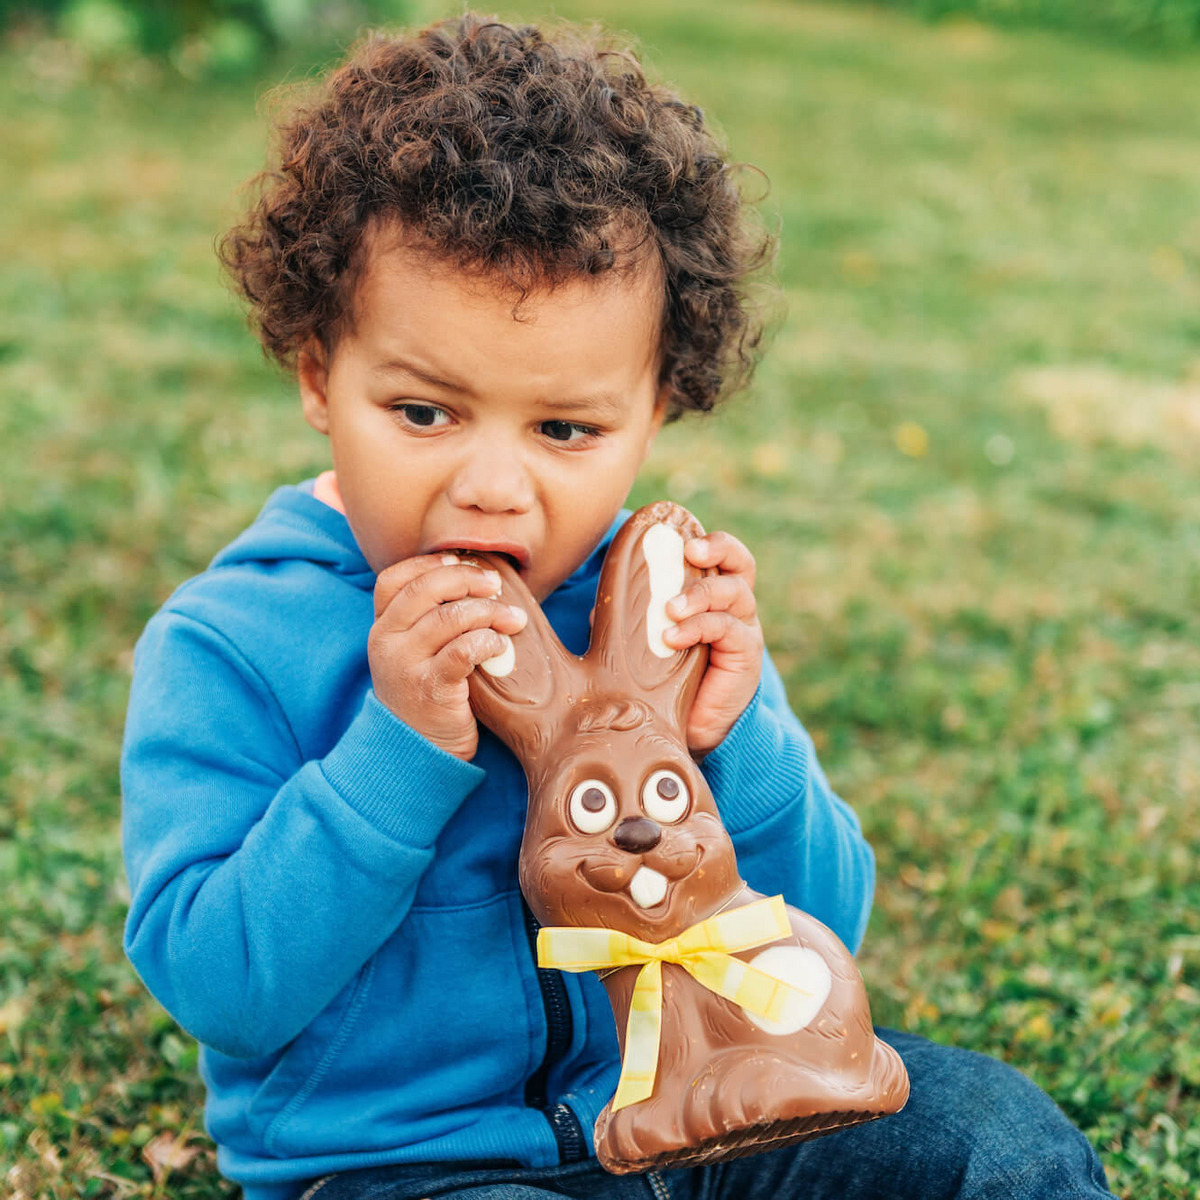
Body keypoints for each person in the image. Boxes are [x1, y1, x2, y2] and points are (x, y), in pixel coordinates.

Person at [120, 14, 1115, 1200]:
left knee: (989, 1136)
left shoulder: (651, 615)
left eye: (566, 430)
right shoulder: (230, 643)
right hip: (419, 1175)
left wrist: (731, 735)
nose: (491, 485)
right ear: (318, 368)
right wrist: (391, 752)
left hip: (708, 1119)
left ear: (657, 411)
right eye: (424, 413)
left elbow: (827, 927)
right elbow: (222, 985)